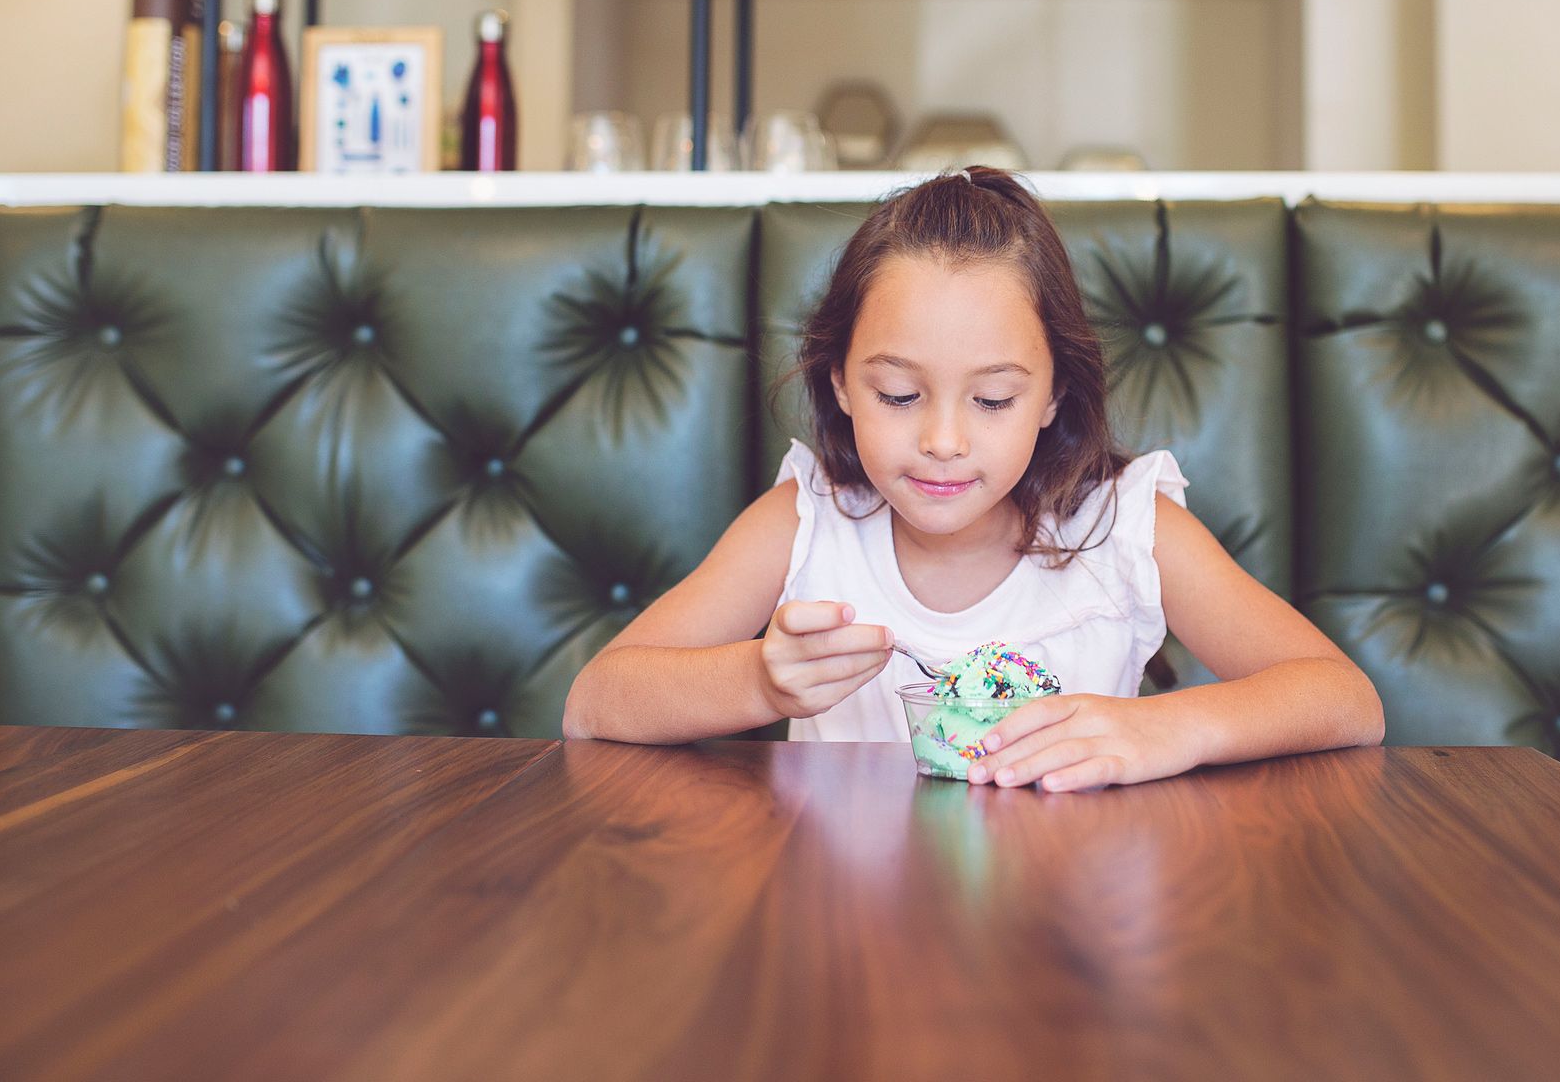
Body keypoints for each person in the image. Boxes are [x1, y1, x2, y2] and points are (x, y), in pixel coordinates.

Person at [563, 166, 1384, 790]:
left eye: (993, 399)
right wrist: (757, 679)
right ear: (840, 382)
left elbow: (1346, 700)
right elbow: (595, 702)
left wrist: (1169, 730)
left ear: (1054, 393)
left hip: (1067, 924)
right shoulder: (807, 524)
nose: (944, 442)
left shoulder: (1125, 530)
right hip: (850, 931)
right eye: (898, 394)